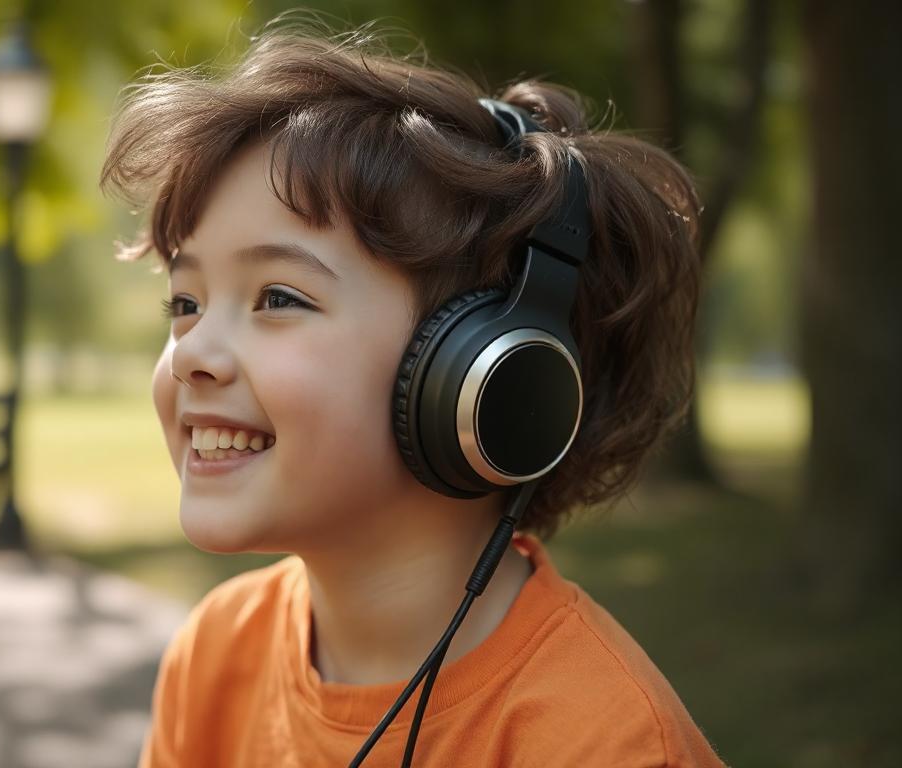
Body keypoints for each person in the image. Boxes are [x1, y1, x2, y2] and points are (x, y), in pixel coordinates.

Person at [100, 14, 726, 768]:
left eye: (278, 298)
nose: (194, 350)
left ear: (481, 377)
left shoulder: (602, 745)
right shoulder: (217, 653)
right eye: (185, 302)